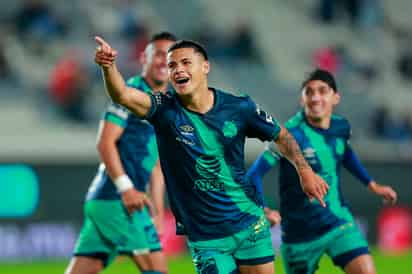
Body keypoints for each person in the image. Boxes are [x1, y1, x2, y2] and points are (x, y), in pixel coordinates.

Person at [94, 37, 329, 274]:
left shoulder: (239, 108)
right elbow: (123, 95)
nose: (178, 70)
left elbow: (282, 135)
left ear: (205, 67)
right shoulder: (163, 109)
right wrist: (108, 67)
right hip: (206, 239)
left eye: (186, 63)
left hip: (250, 226)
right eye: (172, 65)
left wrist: (305, 170)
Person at [247, 69, 398, 274]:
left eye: (322, 91)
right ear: (302, 100)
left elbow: (345, 154)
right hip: (299, 233)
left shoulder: (341, 127)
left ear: (335, 97)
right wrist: (263, 209)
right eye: (309, 92)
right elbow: (254, 174)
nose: (315, 97)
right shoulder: (288, 135)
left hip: (338, 222)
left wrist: (373, 185)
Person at [65, 32, 177, 274]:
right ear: (143, 58)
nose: (163, 61)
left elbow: (156, 165)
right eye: (157, 54)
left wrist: (158, 211)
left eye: (170, 57)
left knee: (84, 268)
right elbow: (105, 143)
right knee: (156, 270)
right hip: (118, 200)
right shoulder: (132, 91)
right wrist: (125, 188)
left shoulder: (167, 103)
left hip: (111, 202)